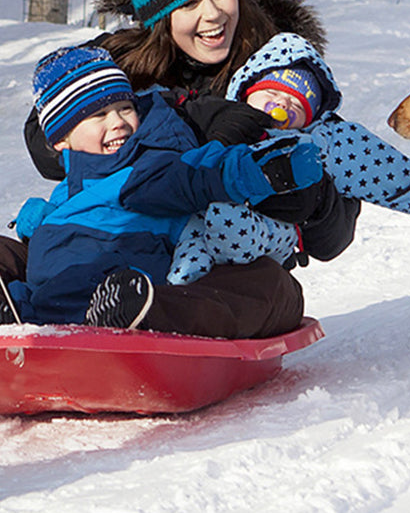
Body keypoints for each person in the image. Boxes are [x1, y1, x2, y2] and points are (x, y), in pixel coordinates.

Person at [8, 0, 360, 313]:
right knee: (25, 251)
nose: (213, 15)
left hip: (214, 264)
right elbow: (42, 131)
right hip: (112, 240)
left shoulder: (281, 74)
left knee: (272, 290)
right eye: (190, 3)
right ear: (159, 18)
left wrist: (313, 197)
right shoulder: (122, 66)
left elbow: (334, 236)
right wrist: (126, 134)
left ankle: (141, 312)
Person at [0, 46, 322, 335]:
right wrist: (41, 220)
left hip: (122, 276)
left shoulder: (148, 166)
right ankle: (18, 310)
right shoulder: (68, 188)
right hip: (57, 276)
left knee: (268, 285)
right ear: (60, 140)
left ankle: (130, 313)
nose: (118, 123)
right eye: (99, 115)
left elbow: (201, 175)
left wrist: (265, 171)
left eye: (126, 109)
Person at [169, 33, 410, 282]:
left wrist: (320, 199)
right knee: (188, 260)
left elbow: (368, 159)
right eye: (271, 93)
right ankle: (172, 299)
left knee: (241, 242)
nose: (281, 105)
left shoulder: (318, 144)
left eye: (296, 105)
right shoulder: (216, 113)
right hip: (196, 223)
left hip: (265, 236)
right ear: (246, 90)